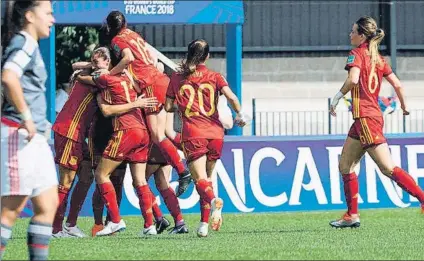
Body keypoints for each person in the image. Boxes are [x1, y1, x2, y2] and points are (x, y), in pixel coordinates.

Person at [329, 16, 424, 228]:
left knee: (387, 168)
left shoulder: (356, 54)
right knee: (345, 164)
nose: (350, 34)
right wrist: (404, 106)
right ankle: (351, 215)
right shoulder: (379, 59)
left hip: (365, 118)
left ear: (362, 35)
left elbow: (353, 79)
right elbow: (398, 85)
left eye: (353, 31)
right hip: (367, 118)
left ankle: (423, 198)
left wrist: (336, 97)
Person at [165, 39, 248, 237]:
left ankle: (214, 201)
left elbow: (168, 107)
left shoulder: (177, 77)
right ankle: (203, 225)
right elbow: (232, 97)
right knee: (208, 179)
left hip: (194, 133)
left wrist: (183, 106)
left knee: (200, 181)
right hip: (216, 134)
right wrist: (239, 115)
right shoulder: (215, 76)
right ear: (207, 56)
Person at [104, 10, 192, 197]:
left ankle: (183, 171)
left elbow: (128, 57)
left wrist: (111, 75)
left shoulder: (117, 40)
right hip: (161, 79)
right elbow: (152, 59)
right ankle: (188, 157)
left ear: (110, 27)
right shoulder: (134, 34)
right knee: (166, 132)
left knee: (156, 134)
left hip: (151, 84)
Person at [77, 48, 158, 236]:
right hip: (142, 131)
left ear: (109, 63)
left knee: (101, 174)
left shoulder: (106, 80)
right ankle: (149, 225)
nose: (96, 68)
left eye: (98, 63)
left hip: (126, 130)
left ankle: (115, 220)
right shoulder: (128, 78)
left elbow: (82, 78)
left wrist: (88, 73)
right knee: (139, 180)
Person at [1, 1, 58, 260]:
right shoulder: (23, 42)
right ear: (29, 15)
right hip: (19, 135)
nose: (52, 19)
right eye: (48, 13)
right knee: (10, 210)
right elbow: (8, 76)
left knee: (48, 205)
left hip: (36, 140)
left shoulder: (31, 45)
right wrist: (26, 116)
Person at [51, 47, 106, 237]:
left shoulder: (91, 75)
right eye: (93, 60)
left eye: (98, 60)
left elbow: (76, 66)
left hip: (77, 133)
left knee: (86, 175)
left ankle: (71, 224)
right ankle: (55, 229)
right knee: (66, 181)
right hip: (68, 131)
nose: (94, 64)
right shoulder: (94, 79)